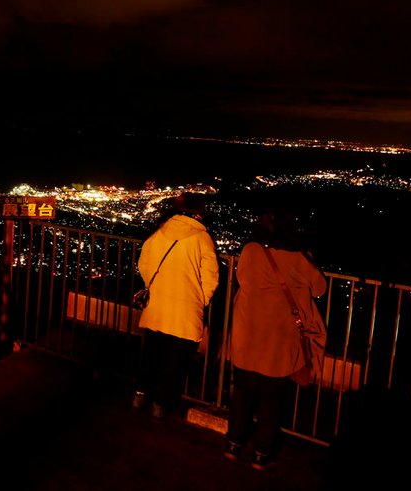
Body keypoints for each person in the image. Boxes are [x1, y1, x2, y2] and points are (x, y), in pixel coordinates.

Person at [224, 202, 327, 470]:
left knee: (242, 395)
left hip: (248, 339)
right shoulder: (300, 259)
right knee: (272, 401)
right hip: (281, 344)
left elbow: (242, 279)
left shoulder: (250, 251)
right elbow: (320, 289)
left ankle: (233, 444)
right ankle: (261, 453)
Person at [133, 192, 220, 419]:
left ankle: (140, 394)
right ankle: (160, 404)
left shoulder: (160, 232)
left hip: (158, 304)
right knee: (174, 359)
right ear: (199, 211)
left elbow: (144, 262)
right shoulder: (202, 238)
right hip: (186, 307)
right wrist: (202, 299)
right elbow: (211, 276)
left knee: (151, 352)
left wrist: (154, 284)